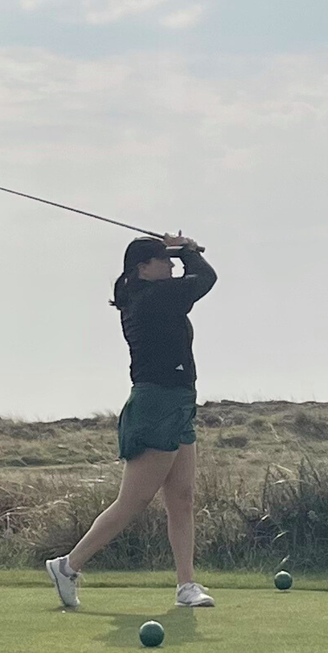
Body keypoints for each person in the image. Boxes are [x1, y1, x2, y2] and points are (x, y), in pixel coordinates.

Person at [46, 235, 217, 610]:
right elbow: (206, 278)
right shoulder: (151, 298)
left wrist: (175, 250)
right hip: (156, 403)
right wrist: (187, 250)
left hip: (179, 400)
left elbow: (195, 278)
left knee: (182, 499)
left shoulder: (155, 294)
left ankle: (186, 586)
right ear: (142, 267)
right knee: (134, 501)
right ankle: (67, 566)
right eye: (163, 260)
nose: (170, 267)